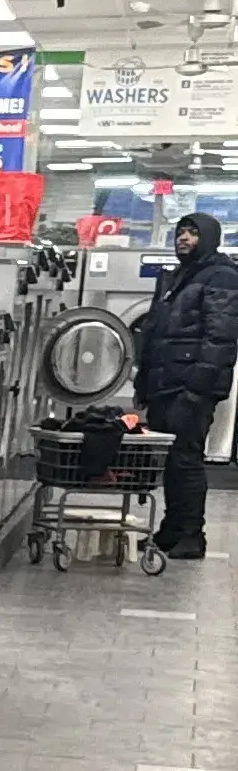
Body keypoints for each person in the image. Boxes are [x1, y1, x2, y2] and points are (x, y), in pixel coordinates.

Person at [138, 208, 238, 558]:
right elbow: (153, 331)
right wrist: (143, 383)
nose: (183, 237)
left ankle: (192, 536)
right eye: (180, 231)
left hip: (190, 386)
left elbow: (221, 338)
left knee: (186, 459)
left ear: (208, 238)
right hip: (166, 383)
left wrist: (198, 389)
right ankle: (172, 529)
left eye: (192, 232)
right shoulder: (178, 276)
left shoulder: (221, 276)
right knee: (172, 460)